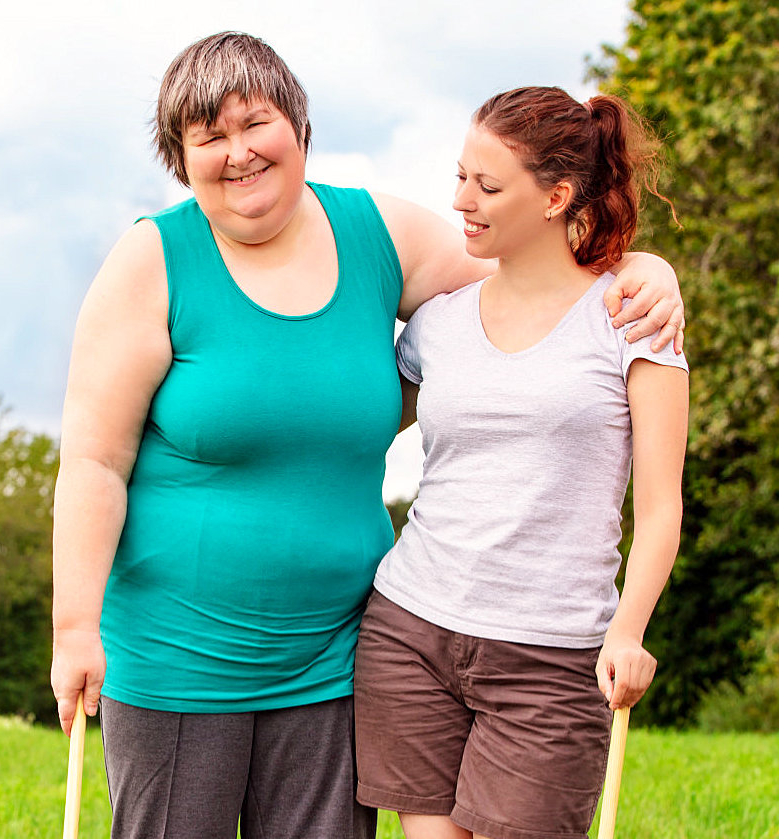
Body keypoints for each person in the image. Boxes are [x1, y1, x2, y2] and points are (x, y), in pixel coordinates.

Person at [50, 33, 685, 839]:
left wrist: (641, 270)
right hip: (179, 660)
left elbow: (533, 266)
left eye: (255, 123)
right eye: (207, 136)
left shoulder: (381, 235)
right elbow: (95, 463)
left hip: (335, 658)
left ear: (301, 128)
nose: (238, 152)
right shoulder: (151, 259)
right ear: (181, 158)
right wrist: (74, 628)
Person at [352, 86, 689, 839]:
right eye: (461, 176)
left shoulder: (633, 324)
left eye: (488, 185)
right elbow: (348, 435)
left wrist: (629, 631)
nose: (461, 200)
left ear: (556, 196)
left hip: (553, 659)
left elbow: (661, 507)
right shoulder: (435, 325)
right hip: (412, 633)